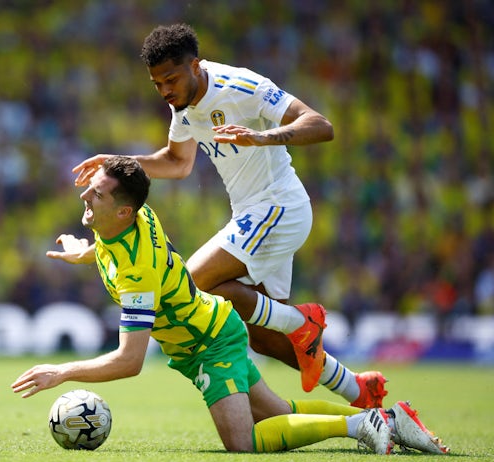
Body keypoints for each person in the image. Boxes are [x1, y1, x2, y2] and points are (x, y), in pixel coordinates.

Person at [11, 156, 448, 455]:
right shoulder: (134, 218)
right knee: (277, 414)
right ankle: (384, 418)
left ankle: (359, 426)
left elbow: (130, 361)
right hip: (211, 327)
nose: (86, 197)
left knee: (243, 442)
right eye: (90, 190)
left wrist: (61, 371)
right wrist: (83, 249)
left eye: (97, 195)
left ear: (124, 212)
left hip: (209, 342)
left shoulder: (136, 273)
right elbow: (111, 246)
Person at [73, 24, 386, 408]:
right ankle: (359, 390)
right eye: (157, 84)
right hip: (252, 214)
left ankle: (302, 322)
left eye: (171, 79)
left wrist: (262, 137)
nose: (165, 91)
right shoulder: (183, 107)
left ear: (196, 66)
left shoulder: (242, 87)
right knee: (262, 335)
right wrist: (115, 162)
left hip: (277, 206)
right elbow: (176, 162)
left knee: (192, 283)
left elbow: (321, 126)